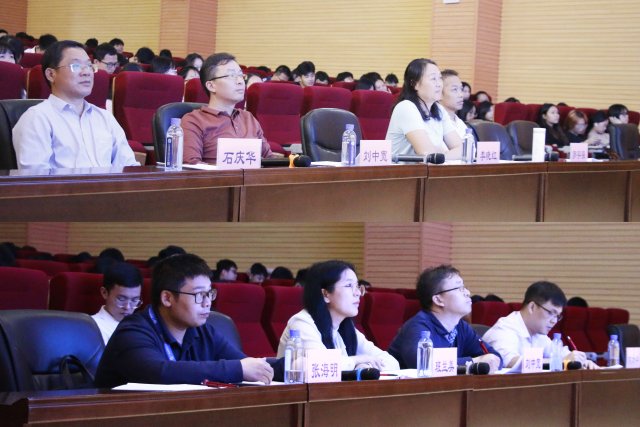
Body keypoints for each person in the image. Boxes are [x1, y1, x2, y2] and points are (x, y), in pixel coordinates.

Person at [95, 253, 275, 387]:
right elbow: (160, 372)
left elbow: (247, 364)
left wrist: (286, 366)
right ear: (167, 298)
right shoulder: (132, 331)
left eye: (209, 294)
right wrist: (237, 369)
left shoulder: (203, 331)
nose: (207, 303)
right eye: (199, 295)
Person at [12, 40, 139, 170]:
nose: (86, 72)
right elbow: (36, 178)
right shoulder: (36, 118)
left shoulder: (105, 118)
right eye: (76, 66)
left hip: (108, 184)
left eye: (89, 66)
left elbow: (129, 167)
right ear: (51, 74)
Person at [277, 260, 399, 371]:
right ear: (325, 294)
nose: (357, 293)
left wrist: (364, 366)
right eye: (349, 285)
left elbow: (392, 362)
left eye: (357, 286)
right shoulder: (301, 323)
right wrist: (357, 360)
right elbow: (317, 365)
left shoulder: (345, 327)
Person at [388, 265, 502, 372]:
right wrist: (473, 361)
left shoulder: (461, 327)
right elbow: (423, 363)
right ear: (438, 300)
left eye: (465, 287)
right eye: (459, 288)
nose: (467, 293)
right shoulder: (418, 327)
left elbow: (496, 358)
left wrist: (489, 360)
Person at [181, 52, 276, 164]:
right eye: (231, 76)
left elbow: (270, 160)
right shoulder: (193, 121)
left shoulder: (248, 118)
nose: (240, 81)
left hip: (252, 175)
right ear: (211, 86)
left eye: (241, 75)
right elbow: (191, 165)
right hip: (216, 176)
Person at [482, 281, 599, 369]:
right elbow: (509, 361)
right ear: (532, 307)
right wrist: (559, 361)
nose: (554, 321)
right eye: (551, 313)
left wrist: (581, 361)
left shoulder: (538, 333)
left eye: (557, 316)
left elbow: (561, 354)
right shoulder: (505, 329)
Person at [386, 58, 463, 160]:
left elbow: (462, 150)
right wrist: (443, 155)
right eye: (433, 78)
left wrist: (440, 156)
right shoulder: (406, 107)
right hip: (400, 170)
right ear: (415, 84)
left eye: (439, 78)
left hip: (430, 169)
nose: (439, 84)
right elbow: (427, 154)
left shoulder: (439, 109)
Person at [92, 262, 143, 344]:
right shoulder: (92, 327)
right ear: (104, 293)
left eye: (134, 300)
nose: (127, 307)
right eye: (121, 299)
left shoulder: (142, 326)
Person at [439, 69, 468, 138]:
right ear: (439, 93)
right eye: (454, 89)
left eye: (461, 89)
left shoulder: (460, 123)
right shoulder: (435, 123)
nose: (461, 95)